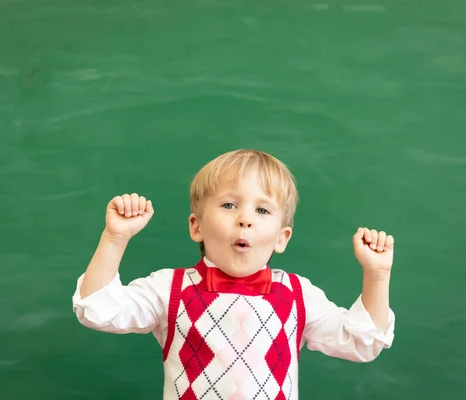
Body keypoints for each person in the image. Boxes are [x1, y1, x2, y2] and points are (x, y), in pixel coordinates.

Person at [72, 149, 396, 399]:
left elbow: (361, 342)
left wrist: (377, 275)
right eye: (229, 205)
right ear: (196, 226)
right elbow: (98, 309)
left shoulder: (297, 295)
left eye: (262, 210)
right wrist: (115, 238)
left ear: (282, 238)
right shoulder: (170, 290)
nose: (245, 219)